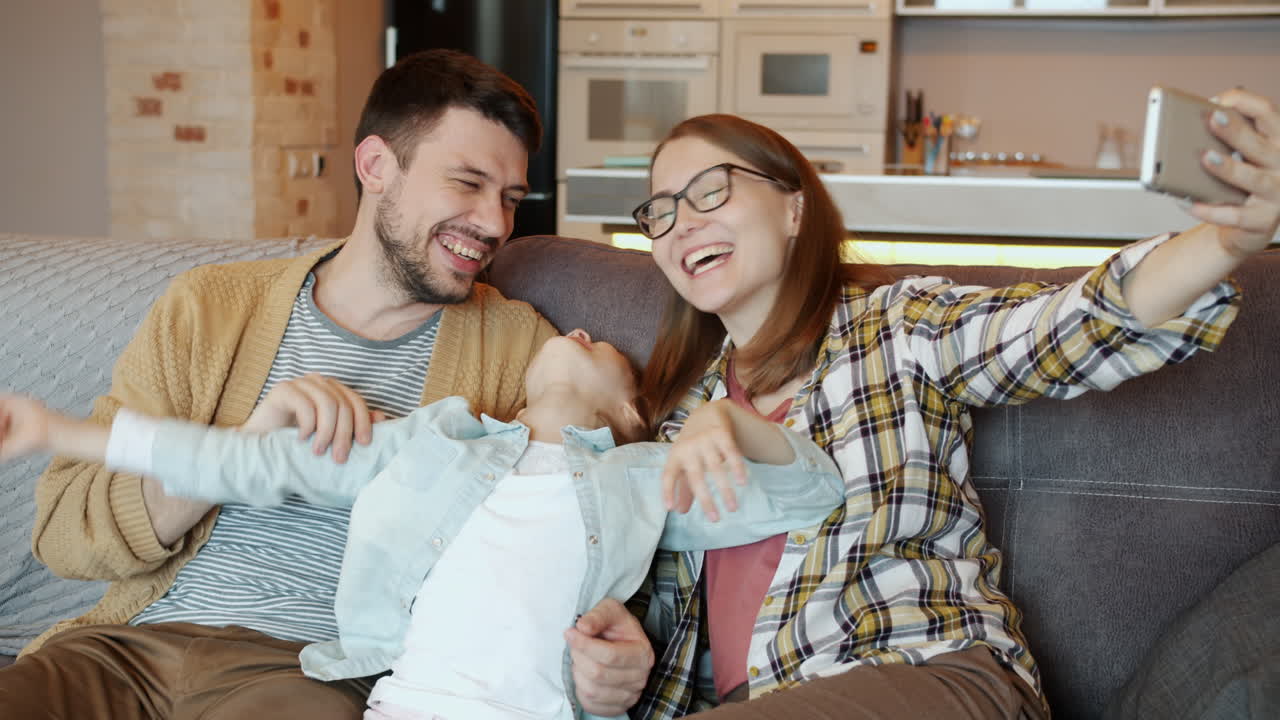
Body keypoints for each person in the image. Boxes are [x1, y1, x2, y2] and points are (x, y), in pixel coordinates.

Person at [566, 87, 1280, 718]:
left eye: (711, 190)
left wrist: (1226, 239)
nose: (682, 221)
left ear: (794, 207)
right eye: (660, 210)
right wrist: (619, 660)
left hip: (922, 672)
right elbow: (650, 615)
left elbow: (1065, 328)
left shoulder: (899, 328)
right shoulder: (677, 418)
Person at [0, 49, 560, 718]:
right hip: (121, 652)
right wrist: (243, 446)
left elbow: (570, 519)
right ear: (377, 165)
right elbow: (65, 533)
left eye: (510, 198)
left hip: (307, 671)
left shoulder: (519, 346)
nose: (495, 223)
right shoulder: (209, 307)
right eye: (467, 183)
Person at [0, 328, 846, 720]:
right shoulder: (432, 439)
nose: (581, 330)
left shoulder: (643, 478)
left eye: (600, 347)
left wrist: (722, 424)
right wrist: (55, 431)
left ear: (629, 408)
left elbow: (816, 493)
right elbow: (242, 466)